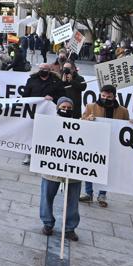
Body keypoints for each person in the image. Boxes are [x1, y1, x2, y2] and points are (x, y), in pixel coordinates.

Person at [79, 84, 130, 207]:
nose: (105, 98)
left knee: (107, 170)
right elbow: (81, 122)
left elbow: (126, 127)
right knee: (90, 167)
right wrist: (87, 119)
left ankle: (102, 194)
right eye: (103, 96)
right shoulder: (91, 106)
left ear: (114, 96)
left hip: (112, 144)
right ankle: (88, 193)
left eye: (109, 96)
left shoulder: (123, 111)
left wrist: (132, 123)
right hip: (93, 143)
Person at [40, 96, 81, 241]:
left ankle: (70, 228)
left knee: (73, 200)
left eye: (69, 108)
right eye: (63, 107)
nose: (66, 110)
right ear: (57, 108)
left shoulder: (81, 123)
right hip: (51, 169)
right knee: (47, 197)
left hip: (73, 170)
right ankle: (47, 223)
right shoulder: (49, 122)